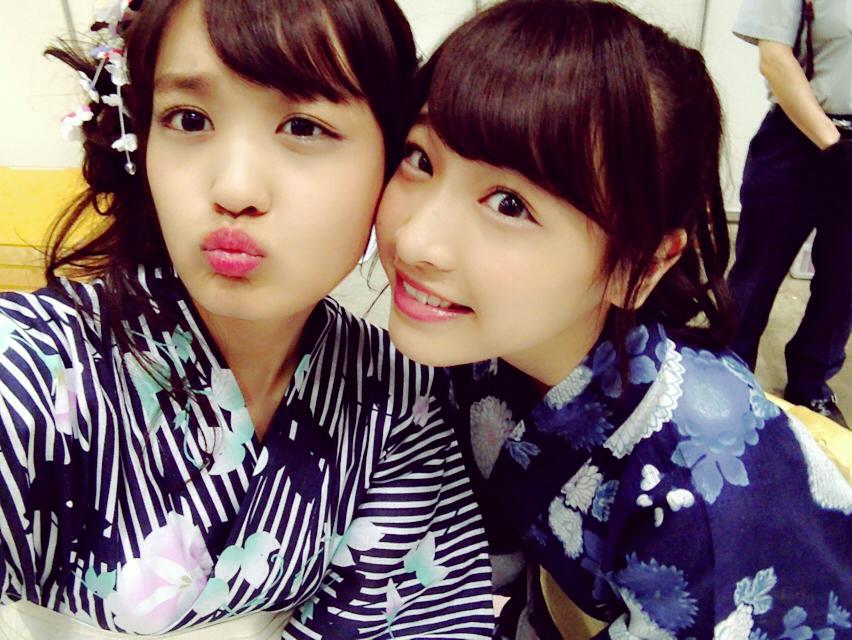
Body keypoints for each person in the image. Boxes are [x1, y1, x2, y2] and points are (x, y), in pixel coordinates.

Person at [0, 0, 494, 637]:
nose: (234, 189)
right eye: (188, 118)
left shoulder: (398, 394)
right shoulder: (33, 368)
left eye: (304, 127)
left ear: (393, 162)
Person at [375, 0, 852, 638]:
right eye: (420, 158)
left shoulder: (698, 491)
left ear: (640, 265)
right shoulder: (482, 347)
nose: (415, 242)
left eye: (509, 204)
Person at [726, 0, 852, 427]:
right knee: (757, 274)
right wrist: (833, 145)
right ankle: (730, 374)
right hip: (796, 139)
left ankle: (810, 383)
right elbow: (775, 58)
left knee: (843, 284)